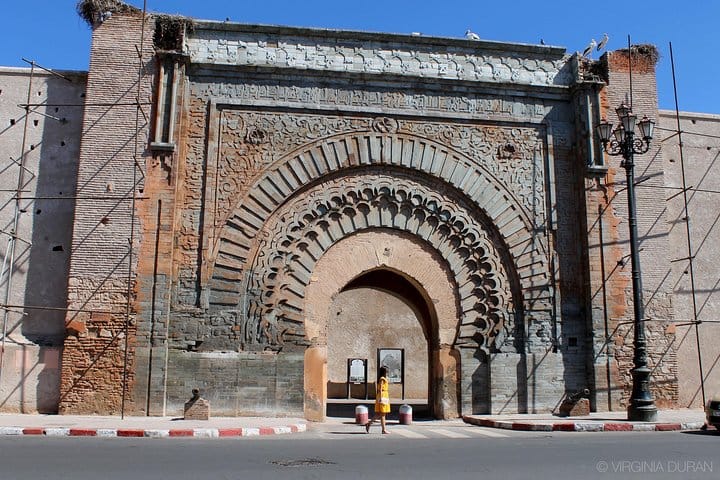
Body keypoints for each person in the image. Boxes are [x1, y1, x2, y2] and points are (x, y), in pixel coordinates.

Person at [365, 366, 390, 434]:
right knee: (382, 414)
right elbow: (380, 388)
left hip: (384, 395)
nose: (387, 372)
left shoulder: (383, 378)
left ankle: (369, 423)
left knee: (381, 414)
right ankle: (383, 429)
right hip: (383, 395)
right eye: (387, 371)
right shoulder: (382, 379)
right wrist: (381, 398)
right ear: (384, 372)